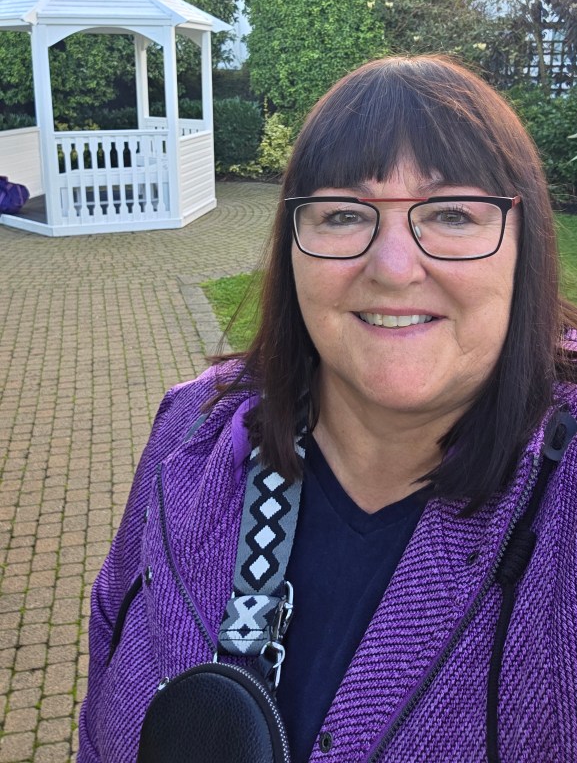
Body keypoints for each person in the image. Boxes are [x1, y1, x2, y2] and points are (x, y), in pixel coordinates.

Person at [79, 56, 577, 763]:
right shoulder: (189, 435)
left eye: (452, 214)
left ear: (524, 246)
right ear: (293, 247)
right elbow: (105, 691)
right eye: (343, 214)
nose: (394, 268)